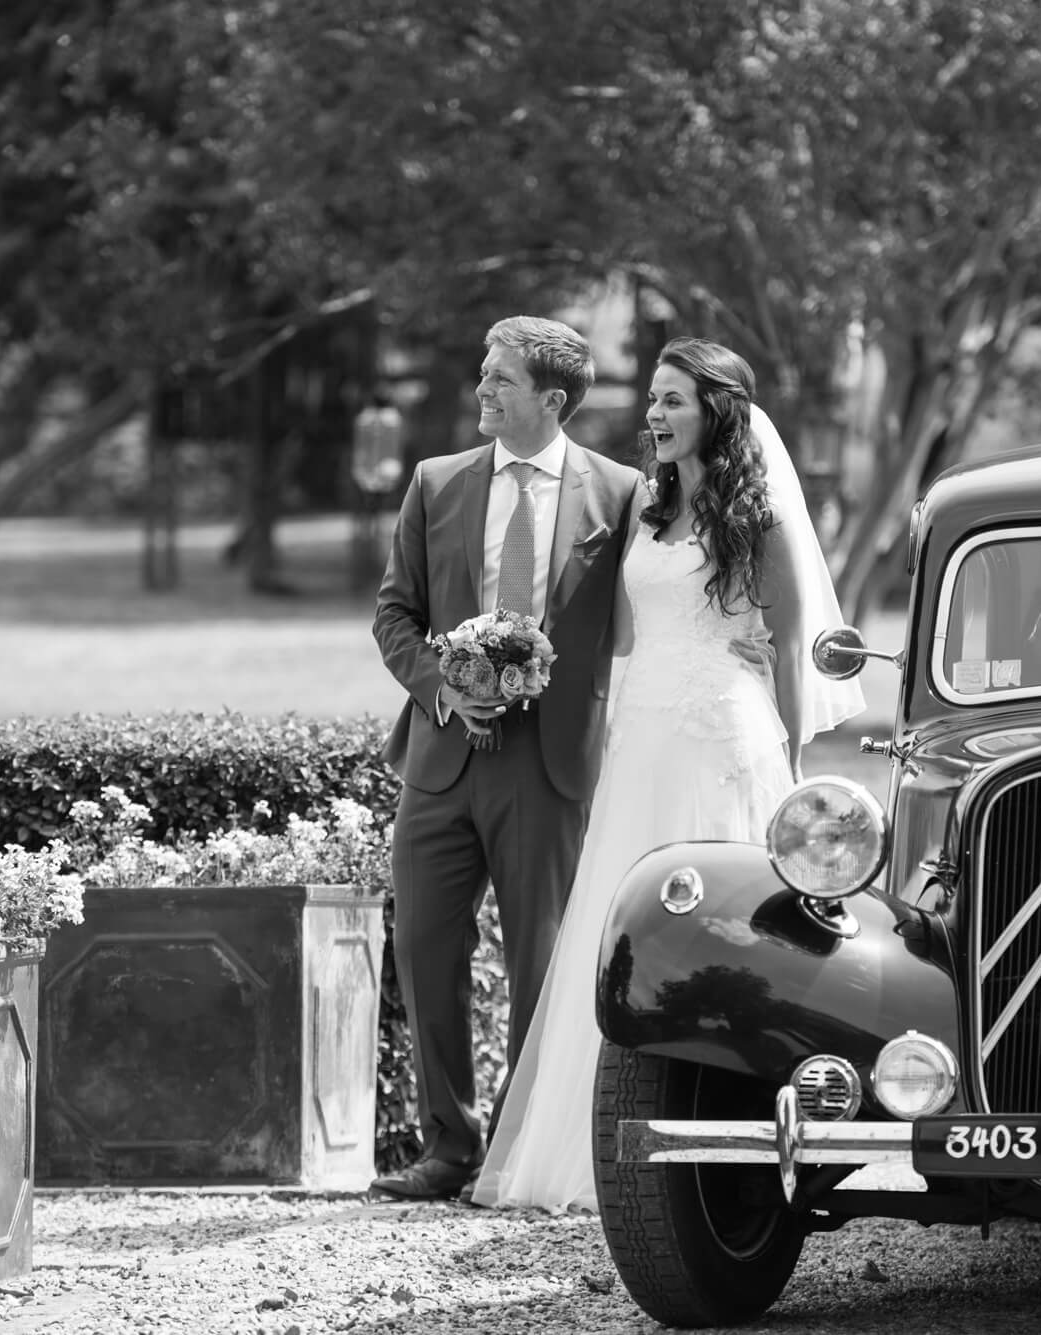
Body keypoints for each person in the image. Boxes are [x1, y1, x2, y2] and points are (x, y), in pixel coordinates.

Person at [470, 337, 865, 1213]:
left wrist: (796, 774)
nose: (654, 415)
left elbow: (794, 654)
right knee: (619, 927)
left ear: (715, 409)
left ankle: (727, 1134)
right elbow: (613, 640)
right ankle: (590, 1143)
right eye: (651, 399)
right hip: (640, 742)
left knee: (721, 936)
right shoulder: (647, 508)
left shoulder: (755, 520)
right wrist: (511, 650)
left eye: (674, 400)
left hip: (723, 739)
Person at [369, 316, 644, 1200]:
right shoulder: (435, 482)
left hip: (551, 764)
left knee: (544, 960)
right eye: (483, 376)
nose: (481, 392)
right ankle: (448, 1145)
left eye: (500, 381)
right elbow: (394, 616)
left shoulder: (622, 495)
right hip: (441, 758)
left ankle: (523, 1150)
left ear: (551, 399)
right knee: (424, 950)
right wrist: (446, 688)